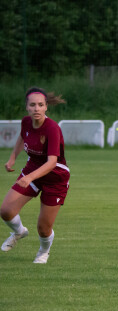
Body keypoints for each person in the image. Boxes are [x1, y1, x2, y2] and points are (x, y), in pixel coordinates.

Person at [1, 87, 69, 264]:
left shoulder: (52, 128)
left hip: (55, 177)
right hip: (32, 169)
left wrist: (29, 178)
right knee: (6, 211)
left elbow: (52, 162)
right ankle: (19, 232)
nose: (36, 108)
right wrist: (12, 159)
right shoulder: (26, 122)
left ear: (46, 107)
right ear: (27, 108)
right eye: (33, 105)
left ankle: (43, 252)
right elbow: (22, 138)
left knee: (43, 228)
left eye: (40, 105)